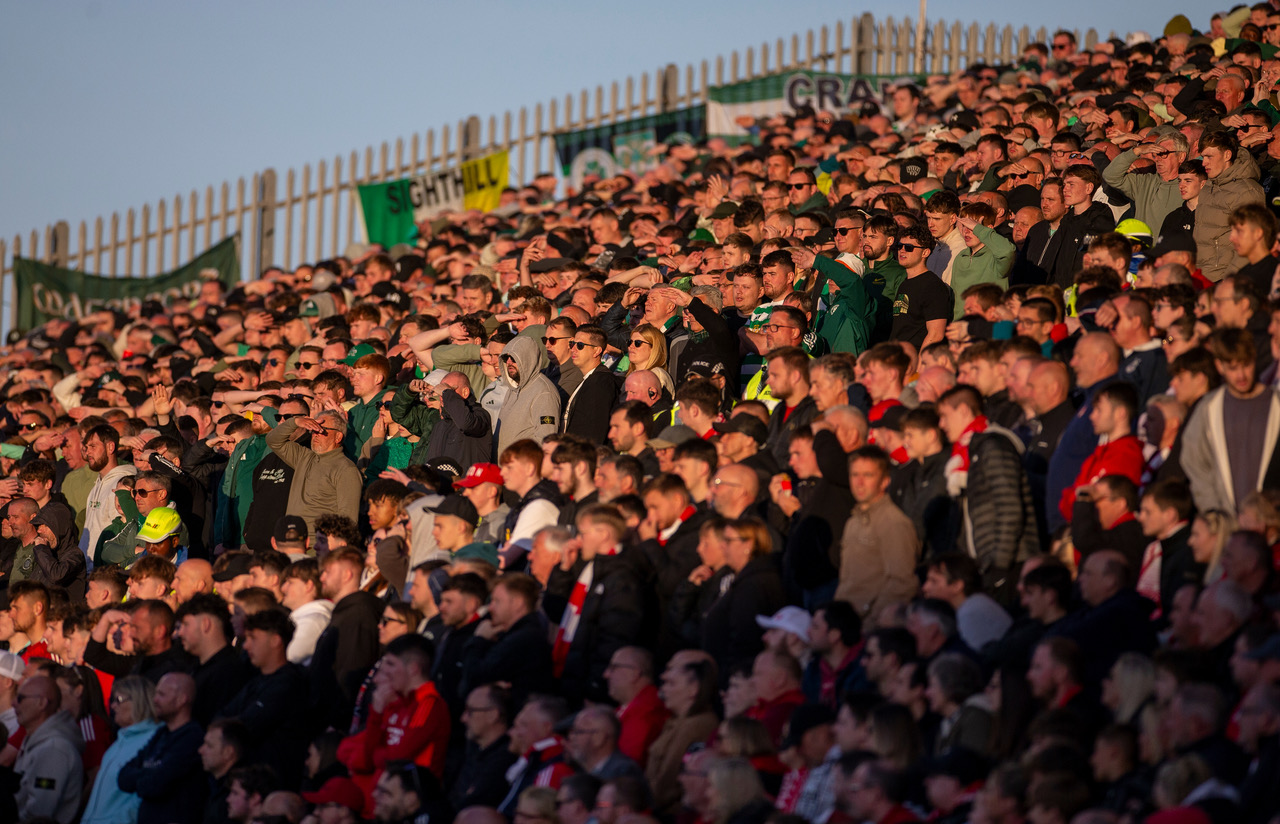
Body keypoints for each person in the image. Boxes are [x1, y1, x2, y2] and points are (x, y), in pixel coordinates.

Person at [1182, 329, 1280, 515]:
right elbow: (1195, 462)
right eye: (1233, 368)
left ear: (1254, 358)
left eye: (1246, 365)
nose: (1241, 376)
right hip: (1225, 523)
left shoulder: (1276, 404)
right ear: (1219, 366)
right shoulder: (1208, 408)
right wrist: (1214, 510)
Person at [836, 445, 920, 624]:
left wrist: (871, 620)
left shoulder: (893, 523)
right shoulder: (852, 522)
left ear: (884, 481)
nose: (859, 482)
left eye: (867, 475)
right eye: (854, 475)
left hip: (867, 627)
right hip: (844, 622)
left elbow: (902, 583)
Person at [117, 672, 207, 824]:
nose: (155, 700)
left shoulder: (192, 738)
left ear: (182, 700)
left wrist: (144, 776)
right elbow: (123, 777)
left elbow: (156, 785)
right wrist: (151, 774)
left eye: (162, 695)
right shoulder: (160, 734)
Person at [82, 676, 163, 824]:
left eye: (118, 700)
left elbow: (145, 795)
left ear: (139, 701)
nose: (113, 706)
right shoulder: (119, 742)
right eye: (112, 700)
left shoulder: (153, 741)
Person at [265, 411, 363, 533]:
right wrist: (296, 421)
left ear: (338, 437)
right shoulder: (304, 456)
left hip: (319, 546)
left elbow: (348, 520)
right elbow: (273, 440)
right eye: (313, 429)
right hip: (291, 541)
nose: (315, 434)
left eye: (321, 429)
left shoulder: (346, 469)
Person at [14, 674, 84, 823]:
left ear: (41, 703)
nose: (14, 704)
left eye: (20, 698)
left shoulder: (54, 749)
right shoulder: (37, 739)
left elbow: (40, 811)